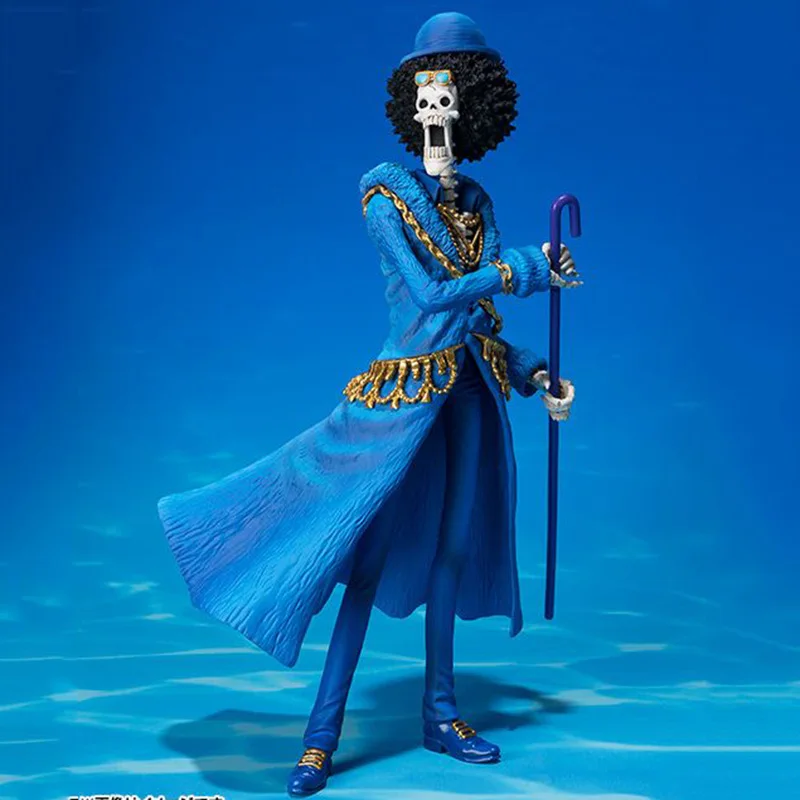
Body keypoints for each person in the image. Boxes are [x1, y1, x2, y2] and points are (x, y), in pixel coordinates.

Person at [157, 12, 581, 797]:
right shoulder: (386, 197)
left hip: (466, 397)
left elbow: (477, 321)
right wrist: (526, 268)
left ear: (472, 103)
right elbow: (433, 296)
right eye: (426, 92)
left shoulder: (476, 201)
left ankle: (441, 714)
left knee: (452, 552)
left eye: (450, 93)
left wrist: (534, 373)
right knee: (363, 563)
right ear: (410, 101)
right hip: (400, 402)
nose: (436, 107)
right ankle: (321, 737)